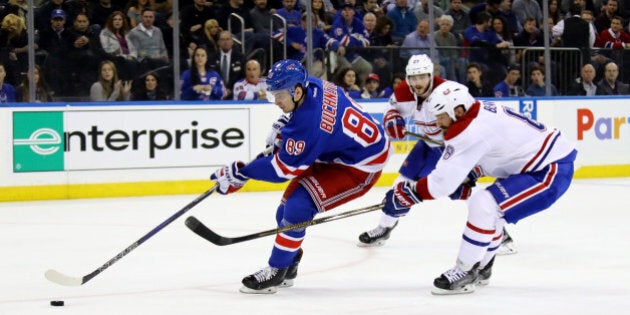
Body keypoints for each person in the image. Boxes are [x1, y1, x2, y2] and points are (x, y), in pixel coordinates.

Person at [209, 59, 391, 294]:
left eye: (279, 95)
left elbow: (282, 170)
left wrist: (242, 173)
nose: (276, 102)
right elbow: (306, 124)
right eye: (272, 94)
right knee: (283, 211)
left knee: (297, 208)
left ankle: (277, 269)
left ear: (296, 91)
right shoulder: (312, 86)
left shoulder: (309, 125)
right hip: (335, 151)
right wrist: (286, 124)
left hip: (360, 165)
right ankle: (290, 263)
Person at [388, 81, 576, 295]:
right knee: (490, 212)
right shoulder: (478, 112)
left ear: (457, 111)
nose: (437, 123)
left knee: (484, 204)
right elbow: (493, 152)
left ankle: (465, 270)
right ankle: (482, 267)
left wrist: (410, 193)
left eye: (441, 116)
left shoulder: (468, 130)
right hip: (536, 164)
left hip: (549, 171)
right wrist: (469, 175)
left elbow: (441, 183)